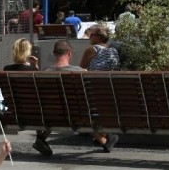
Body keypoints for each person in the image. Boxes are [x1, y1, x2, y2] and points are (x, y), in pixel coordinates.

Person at [32, 40, 84, 157]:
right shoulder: (80, 72)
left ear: (54, 53)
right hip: (74, 112)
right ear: (69, 53)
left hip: (50, 112)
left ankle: (41, 138)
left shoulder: (45, 73)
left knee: (56, 108)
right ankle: (105, 140)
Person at [80, 24, 120, 152]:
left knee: (81, 113)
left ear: (98, 37)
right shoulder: (114, 51)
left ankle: (106, 137)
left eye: (91, 35)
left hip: (92, 89)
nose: (89, 37)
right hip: (109, 90)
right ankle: (103, 138)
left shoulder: (92, 49)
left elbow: (81, 69)